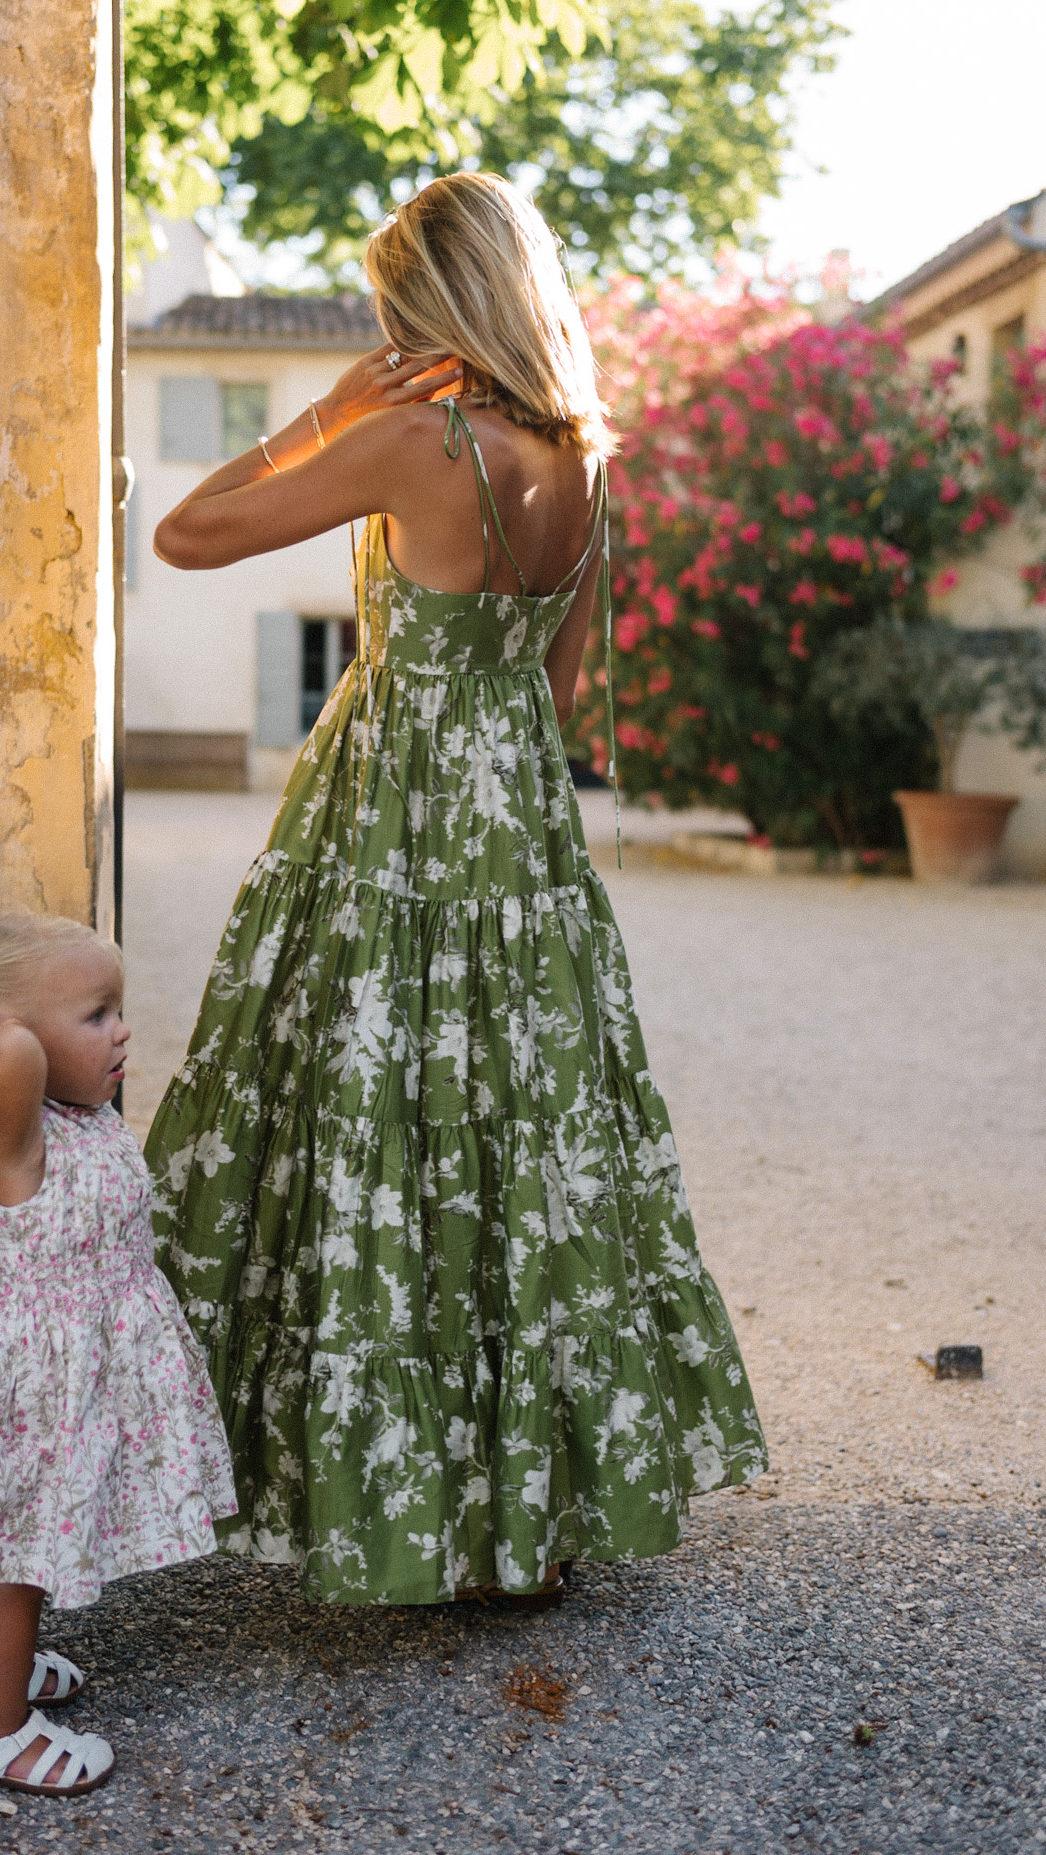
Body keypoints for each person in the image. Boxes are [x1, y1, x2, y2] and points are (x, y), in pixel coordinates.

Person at [145, 172, 766, 1608]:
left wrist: (328, 410)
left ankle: (405, 1508)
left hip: (395, 825)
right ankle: (527, 1521)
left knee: (383, 1134)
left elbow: (187, 532)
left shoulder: (418, 443)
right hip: (522, 842)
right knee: (521, 1152)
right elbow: (555, 694)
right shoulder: (588, 459)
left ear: (434, 308)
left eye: (393, 308)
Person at [0, 914, 236, 1795]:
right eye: (96, 1015)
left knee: (6, 1551)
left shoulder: (73, 1119)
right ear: (24, 1038)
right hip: (32, 1395)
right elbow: (2, 1057)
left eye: (117, 1009)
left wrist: (53, 1027)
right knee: (14, 1562)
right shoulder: (11, 1133)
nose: (122, 1031)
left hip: (59, 1386)